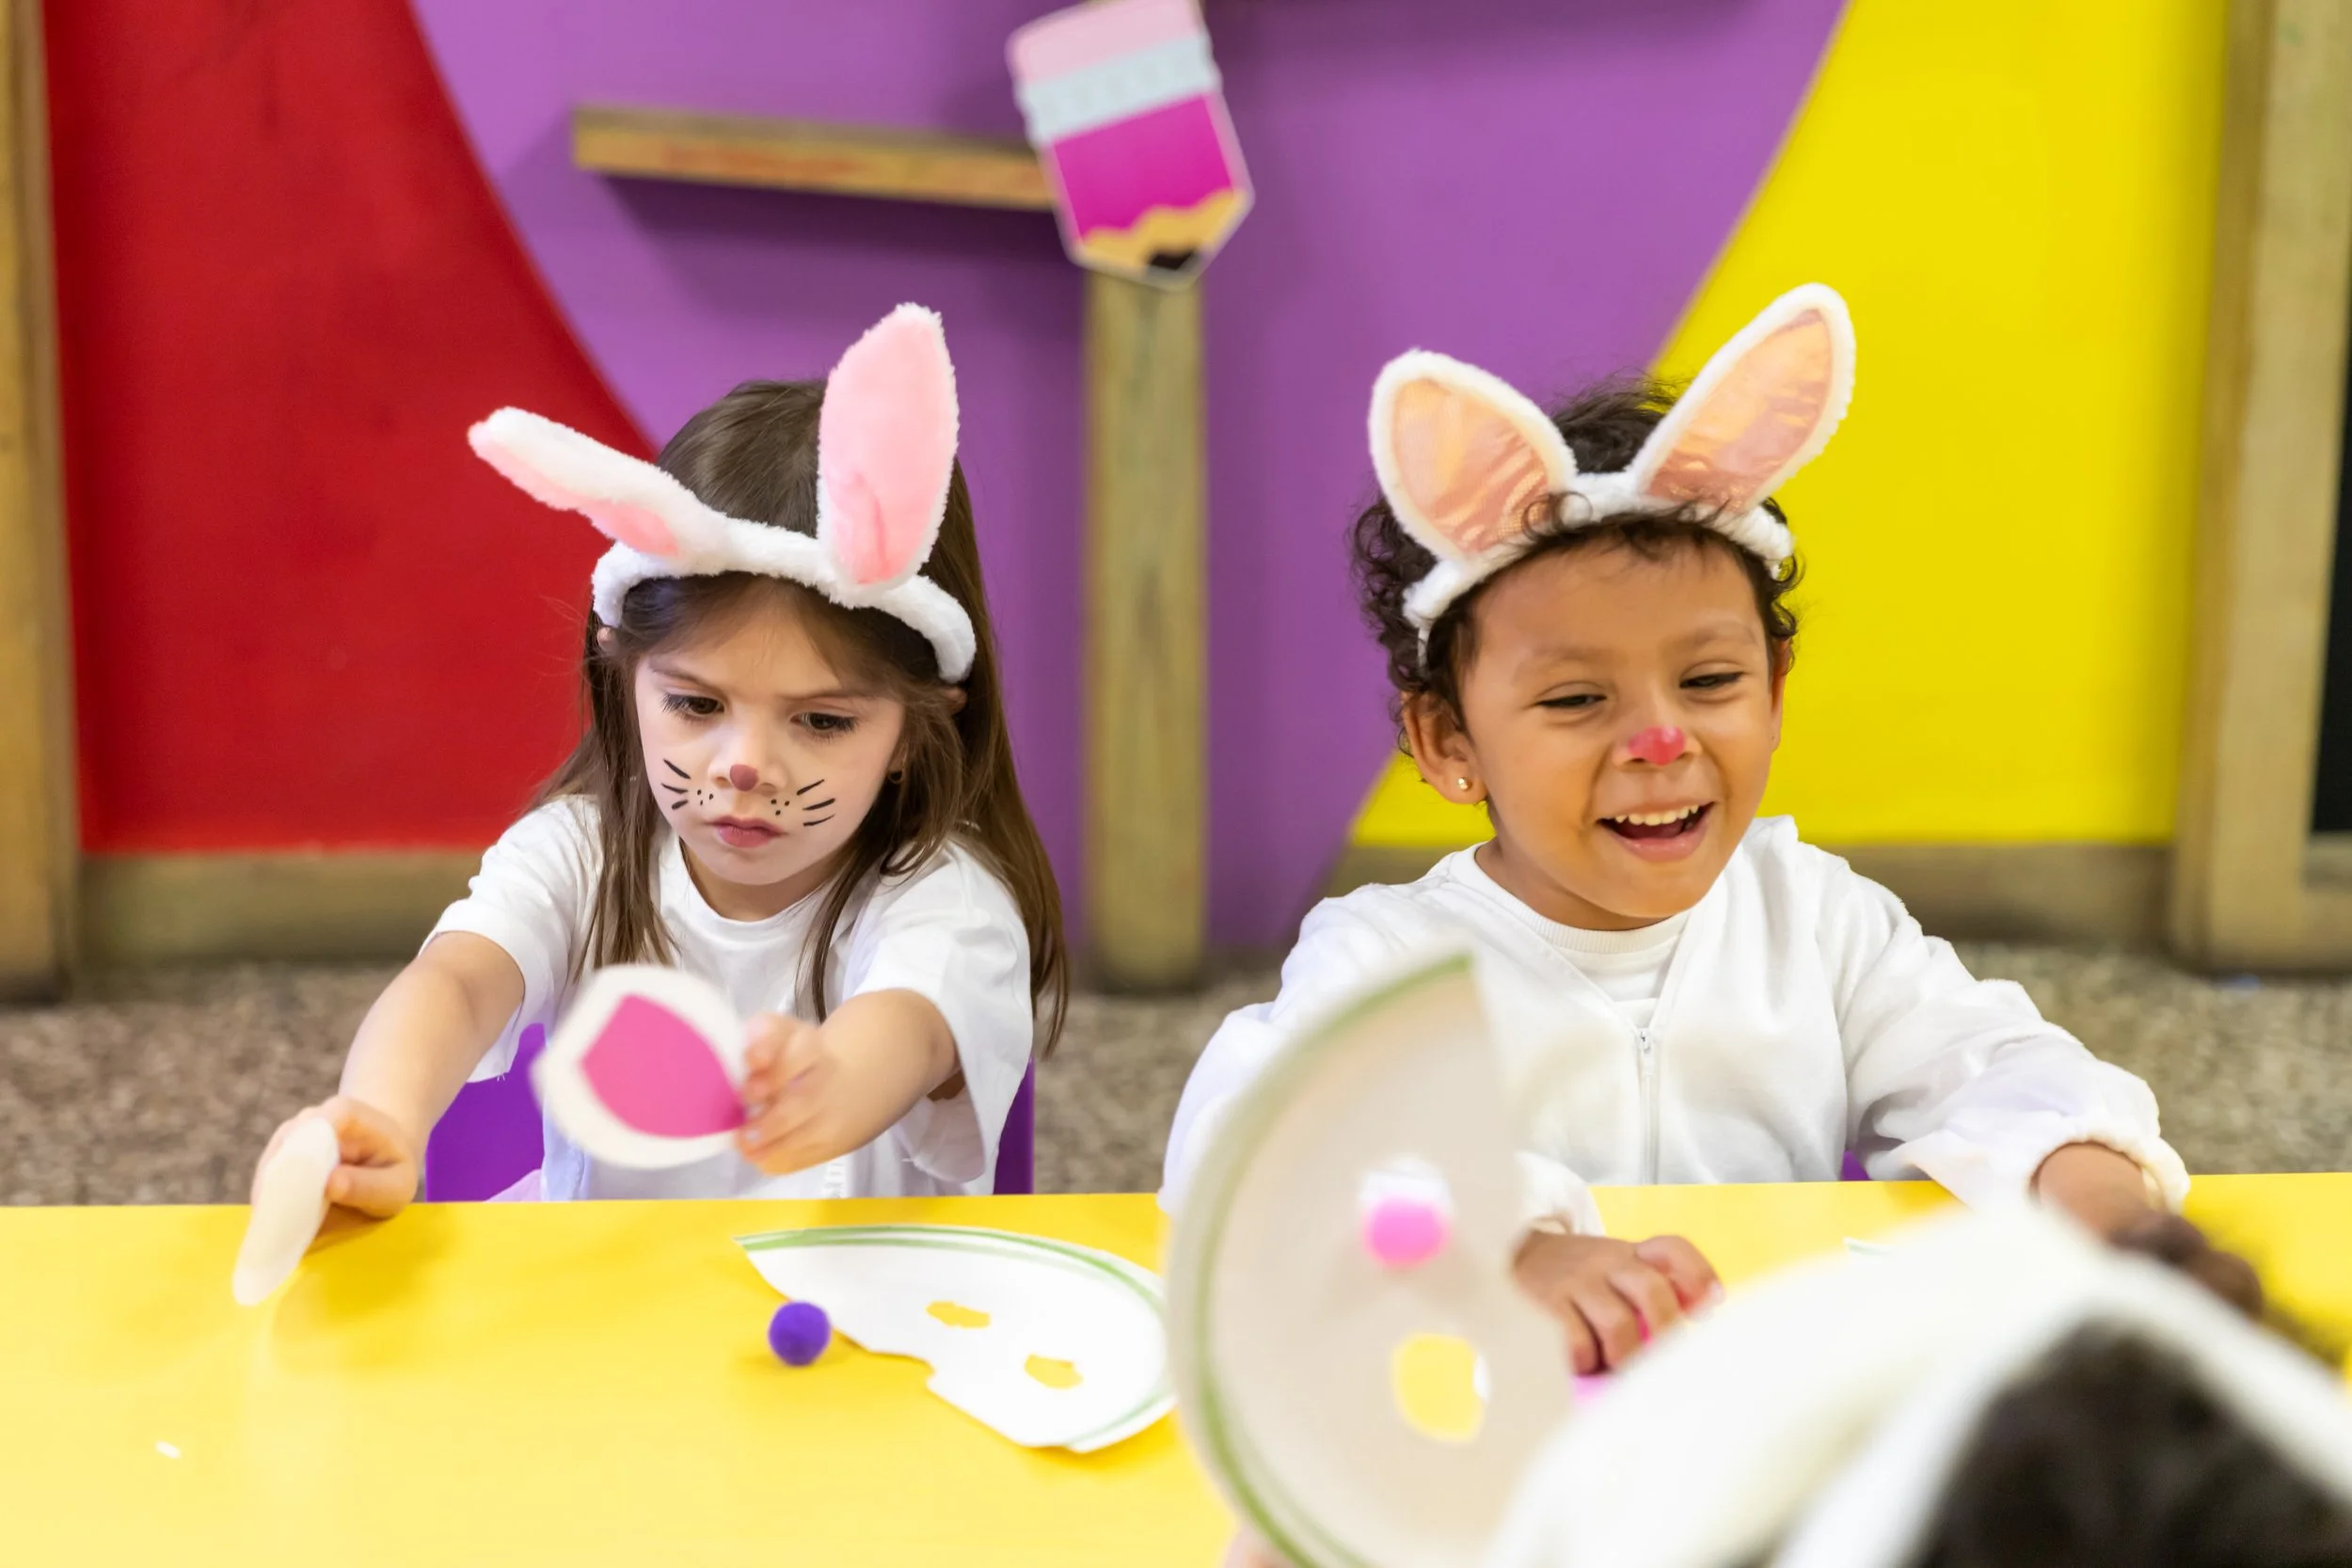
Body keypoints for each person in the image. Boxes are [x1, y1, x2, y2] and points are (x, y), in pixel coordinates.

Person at [1162, 285, 2248, 1375]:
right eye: (1575, 698)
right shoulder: (1386, 959)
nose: (1659, 738)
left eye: (1709, 679)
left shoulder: (1814, 918)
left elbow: (1992, 1065)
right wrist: (1511, 1245)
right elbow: (1252, 1149)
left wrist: (2103, 1202)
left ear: (1774, 689)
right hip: (1504, 1417)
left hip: (1761, 1405)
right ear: (1450, 740)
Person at [254, 304, 1065, 1213]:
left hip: (858, 1298)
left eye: (821, 721)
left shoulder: (944, 899)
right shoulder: (580, 852)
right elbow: (456, 983)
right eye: (696, 705)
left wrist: (833, 1077)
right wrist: (378, 1117)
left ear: (916, 730)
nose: (745, 766)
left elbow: (909, 1027)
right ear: (624, 669)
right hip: (610, 1290)